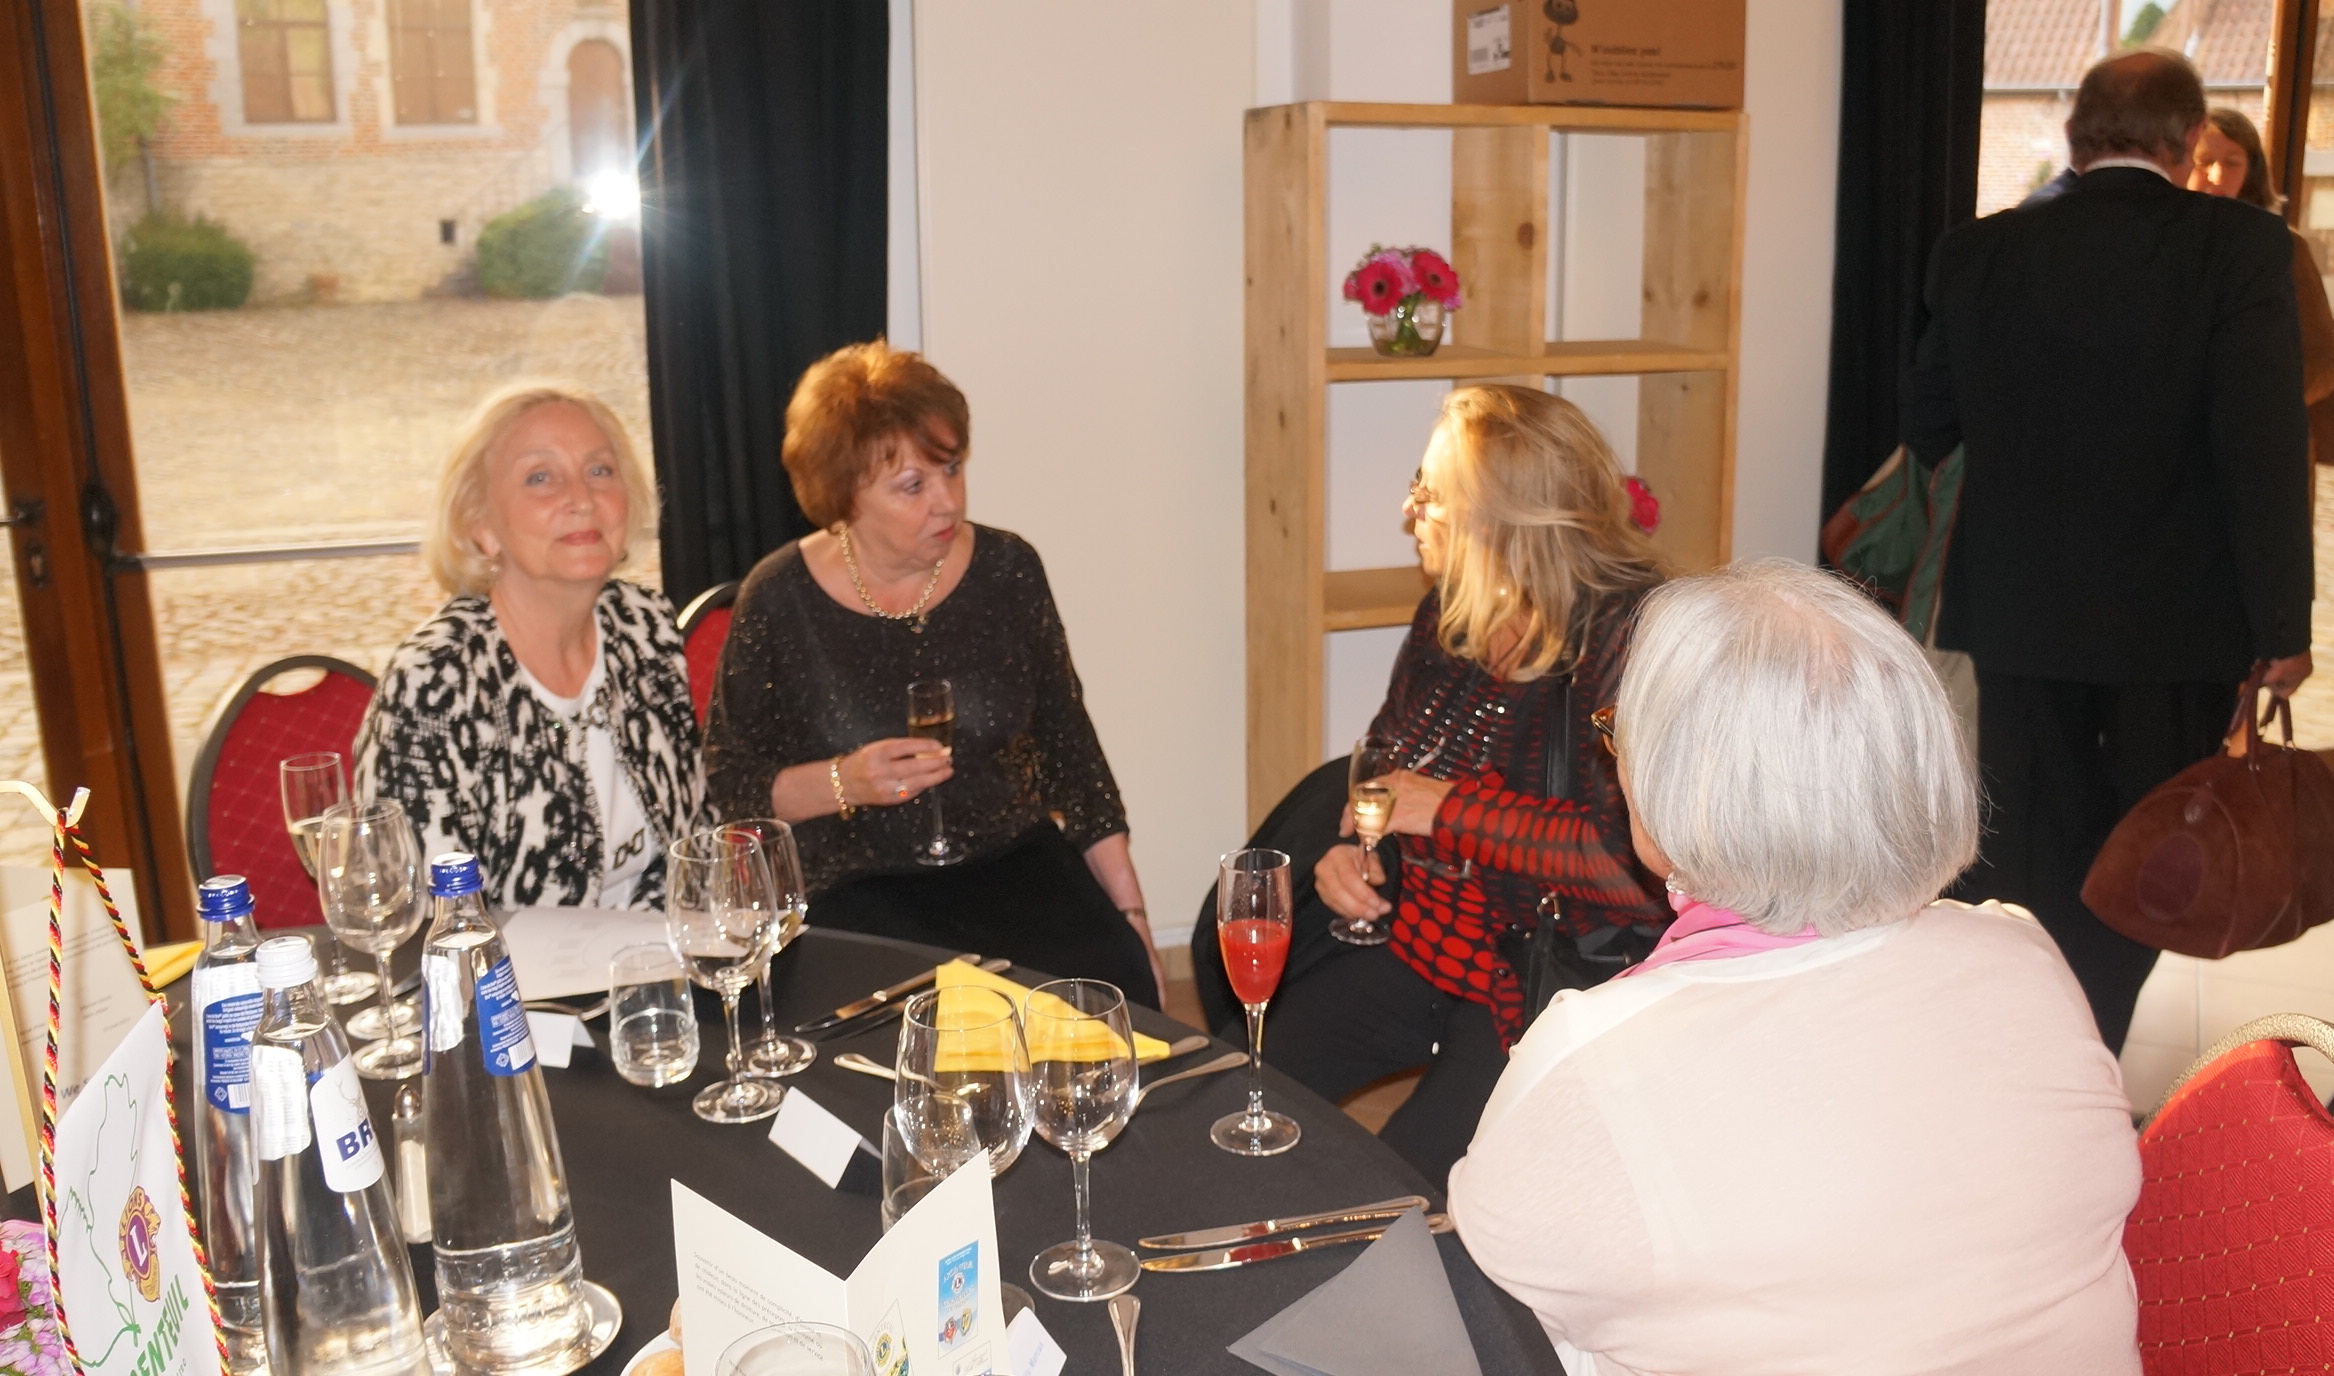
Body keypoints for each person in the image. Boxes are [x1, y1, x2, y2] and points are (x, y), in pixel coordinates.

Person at [1450, 560, 2142, 1376]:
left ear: (1673, 786)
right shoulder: (2022, 957)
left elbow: (1479, 1310)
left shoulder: (1591, 1058)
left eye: (1622, 735)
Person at [1904, 49, 2314, 1052]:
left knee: (2024, 850)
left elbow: (1928, 422)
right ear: (2188, 141)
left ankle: (2028, 1042)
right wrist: (2282, 624)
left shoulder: (1976, 252)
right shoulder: (2241, 249)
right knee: (2148, 847)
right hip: (2175, 622)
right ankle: (2089, 1042)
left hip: (2018, 612)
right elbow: (2262, 449)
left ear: (2075, 136)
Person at [1258, 384, 1668, 1188]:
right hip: (1424, 943)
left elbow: (1628, 864)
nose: (1410, 510)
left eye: (1431, 493)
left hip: (1535, 976)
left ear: (1499, 520)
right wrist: (1352, 854)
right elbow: (1385, 760)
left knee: (1401, 1191)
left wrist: (1448, 810)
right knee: (1248, 1089)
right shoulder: (1449, 616)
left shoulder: (1625, 639)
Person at [701, 341, 1163, 1007]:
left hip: (1014, 864)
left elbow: (1072, 752)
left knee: (1114, 995)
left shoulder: (1009, 570)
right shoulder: (778, 599)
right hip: (857, 886)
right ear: (845, 496)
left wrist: (1132, 918)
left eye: (951, 469)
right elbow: (731, 784)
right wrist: (845, 781)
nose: (947, 501)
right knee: (942, 1033)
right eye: (912, 486)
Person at [356, 383, 702, 909]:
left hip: (662, 949)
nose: (582, 498)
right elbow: (416, 911)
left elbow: (694, 840)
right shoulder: (435, 679)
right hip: (502, 963)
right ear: (482, 526)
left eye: (600, 470)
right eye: (541, 477)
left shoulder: (643, 626)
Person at [2188, 107, 2334, 423]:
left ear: (2251, 171)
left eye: (2232, 163)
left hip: (2259, 432)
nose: (2217, 176)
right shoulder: (2161, 245)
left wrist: (2257, 403)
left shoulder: (2284, 247)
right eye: (2204, 161)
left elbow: (2322, 360)